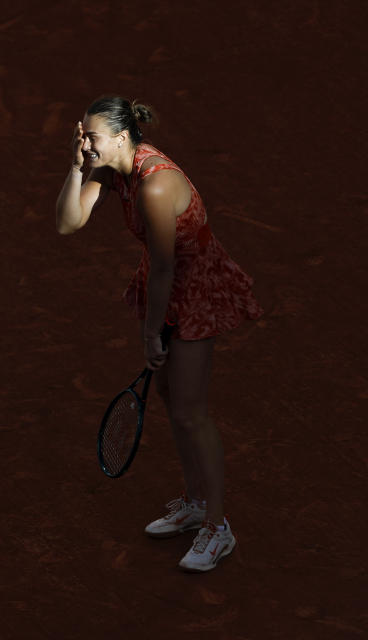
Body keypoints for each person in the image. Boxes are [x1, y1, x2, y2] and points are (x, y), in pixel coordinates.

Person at [54, 95, 263, 572]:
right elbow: (68, 223)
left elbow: (168, 266)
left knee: (191, 413)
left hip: (191, 286)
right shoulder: (112, 169)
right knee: (171, 400)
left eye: (93, 137)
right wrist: (75, 167)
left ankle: (217, 526)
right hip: (164, 283)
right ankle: (193, 504)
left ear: (123, 138)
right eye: (82, 136)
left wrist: (153, 336)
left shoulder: (152, 186)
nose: (86, 143)